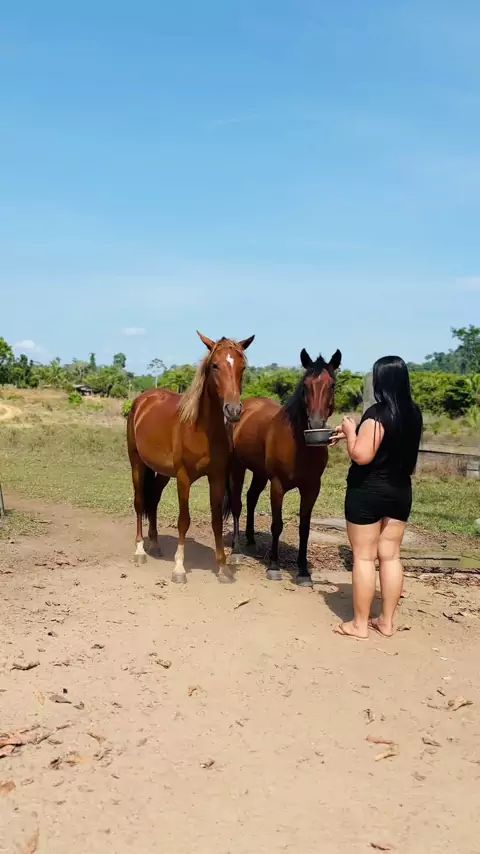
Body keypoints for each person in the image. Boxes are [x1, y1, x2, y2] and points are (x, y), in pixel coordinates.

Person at [330, 356, 422, 639]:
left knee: (364, 557)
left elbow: (361, 455)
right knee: (391, 556)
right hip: (400, 491)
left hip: (368, 491)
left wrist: (350, 430)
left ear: (380, 380)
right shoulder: (413, 413)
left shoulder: (377, 413)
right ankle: (386, 622)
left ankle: (359, 625)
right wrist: (354, 434)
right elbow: (385, 443)